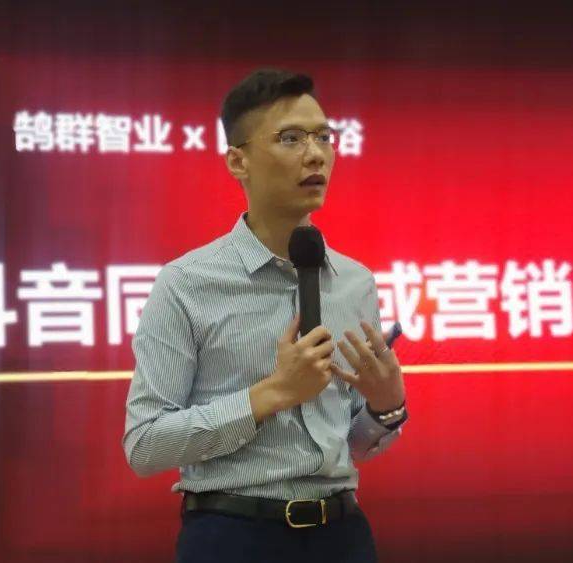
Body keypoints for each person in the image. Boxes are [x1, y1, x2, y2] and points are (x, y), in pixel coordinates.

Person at [122, 68, 408, 563]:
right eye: (290, 138)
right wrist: (271, 394)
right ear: (238, 161)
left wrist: (386, 408)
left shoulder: (355, 281)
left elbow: (355, 444)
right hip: (233, 535)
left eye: (323, 137)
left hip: (342, 535)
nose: (315, 154)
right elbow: (145, 446)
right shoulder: (187, 283)